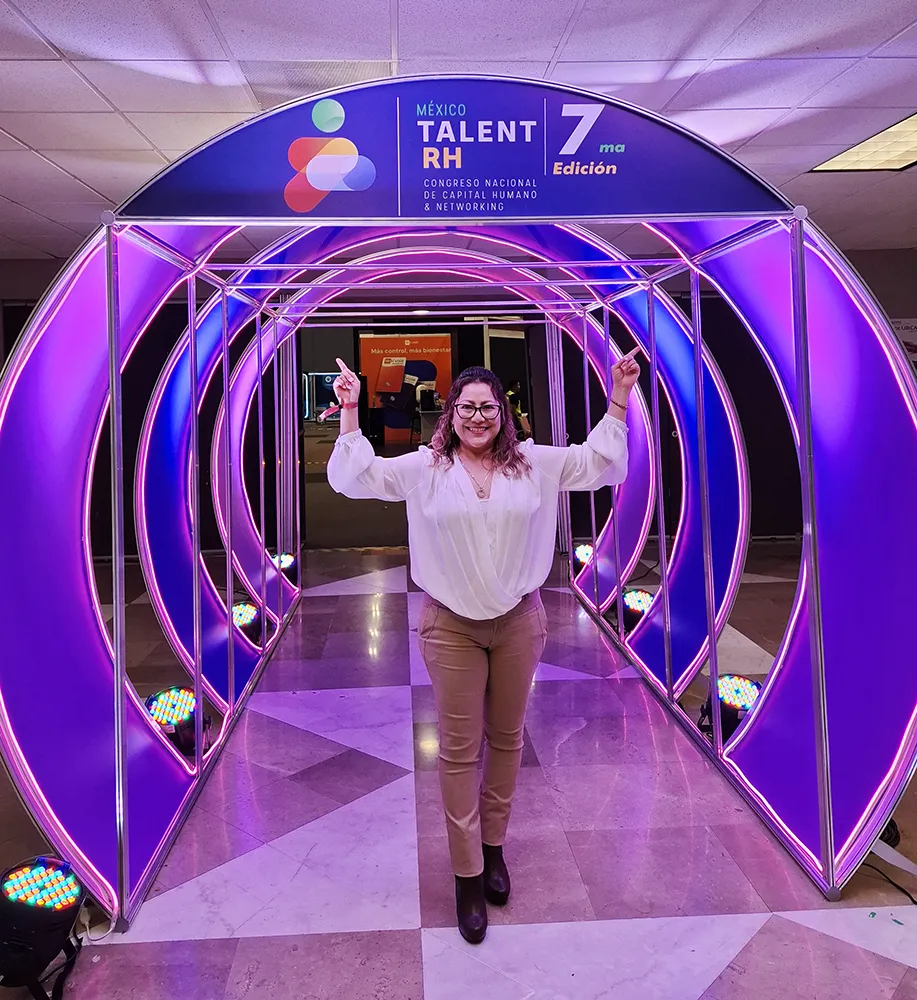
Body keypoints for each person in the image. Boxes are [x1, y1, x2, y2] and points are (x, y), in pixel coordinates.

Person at [326, 356, 639, 944]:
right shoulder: (426, 468)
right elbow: (358, 478)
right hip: (451, 627)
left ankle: (494, 847)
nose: (477, 417)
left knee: (508, 740)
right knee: (458, 750)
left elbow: (597, 463)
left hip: (519, 622)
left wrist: (619, 395)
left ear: (504, 413)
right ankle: (467, 873)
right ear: (450, 414)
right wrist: (349, 409)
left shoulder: (533, 465)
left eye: (487, 407)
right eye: (466, 407)